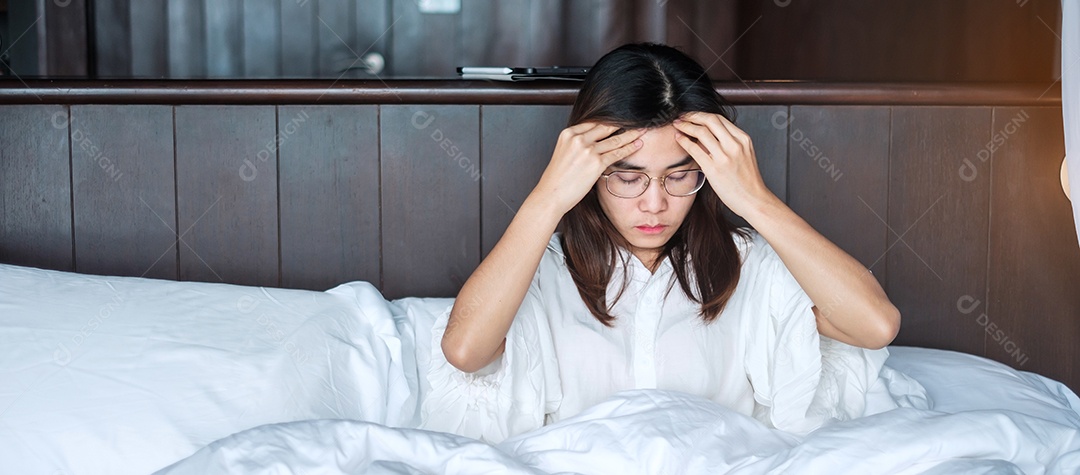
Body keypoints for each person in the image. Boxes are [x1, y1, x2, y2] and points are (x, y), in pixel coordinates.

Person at [420, 42, 922, 443]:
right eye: (628, 177)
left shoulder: (746, 264)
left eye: (680, 176)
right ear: (589, 173)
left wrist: (757, 201)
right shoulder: (543, 267)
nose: (655, 204)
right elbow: (465, 351)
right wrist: (547, 199)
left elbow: (876, 325)